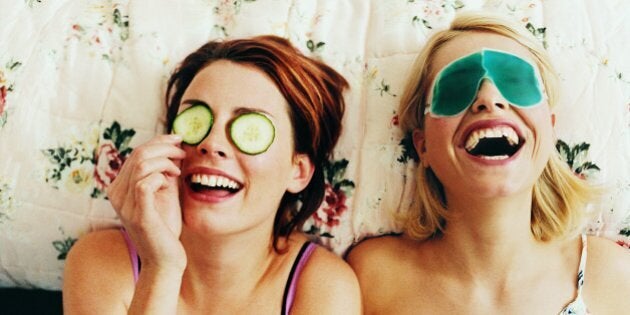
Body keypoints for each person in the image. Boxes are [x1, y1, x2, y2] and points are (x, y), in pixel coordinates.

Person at [347, 11, 630, 314]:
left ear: (550, 129)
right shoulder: (370, 278)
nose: (489, 98)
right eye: (457, 86)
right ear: (423, 145)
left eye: (515, 82)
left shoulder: (614, 277)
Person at [63, 35, 361, 314]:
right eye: (196, 121)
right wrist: (160, 267)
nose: (211, 143)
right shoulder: (102, 261)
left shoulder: (324, 287)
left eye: (250, 129)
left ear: (298, 172)